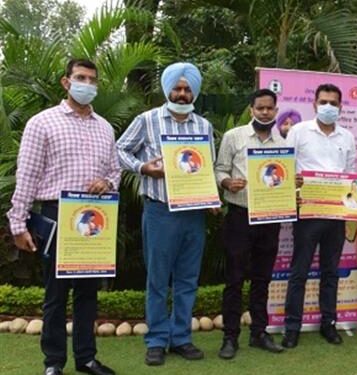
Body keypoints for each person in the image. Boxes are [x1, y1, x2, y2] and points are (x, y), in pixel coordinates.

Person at [6, 58, 119, 375]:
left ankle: (86, 358)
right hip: (57, 216)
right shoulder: (42, 123)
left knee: (88, 292)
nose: (88, 84)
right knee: (56, 294)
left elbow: (115, 170)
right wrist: (18, 224)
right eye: (81, 77)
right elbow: (27, 175)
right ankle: (54, 362)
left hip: (95, 218)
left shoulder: (105, 127)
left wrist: (107, 182)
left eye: (93, 79)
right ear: (65, 82)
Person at [116, 62, 215, 366]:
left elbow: (206, 165)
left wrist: (212, 197)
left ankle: (181, 337)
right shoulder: (147, 120)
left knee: (187, 278)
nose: (182, 93)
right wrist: (144, 168)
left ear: (194, 92)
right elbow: (120, 150)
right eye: (177, 87)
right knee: (158, 279)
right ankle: (157, 339)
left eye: (187, 89)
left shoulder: (203, 126)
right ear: (167, 89)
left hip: (194, 212)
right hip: (160, 211)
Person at [282, 83, 357, 348]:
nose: (328, 107)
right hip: (307, 211)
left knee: (331, 271)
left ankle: (328, 323)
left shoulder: (347, 137)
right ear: (314, 104)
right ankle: (292, 327)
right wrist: (293, 185)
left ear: (341, 107)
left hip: (337, 213)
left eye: (333, 103)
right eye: (323, 102)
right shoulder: (298, 131)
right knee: (300, 271)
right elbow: (286, 167)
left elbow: (351, 172)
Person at [214, 89, 286, 359]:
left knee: (262, 277)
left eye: (269, 108)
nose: (265, 112)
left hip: (270, 216)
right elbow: (220, 168)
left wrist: (294, 183)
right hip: (240, 214)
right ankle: (230, 336)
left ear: (276, 110)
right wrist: (226, 182)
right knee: (234, 277)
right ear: (251, 109)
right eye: (260, 108)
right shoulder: (235, 137)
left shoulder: (284, 141)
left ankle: (259, 332)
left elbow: (286, 176)